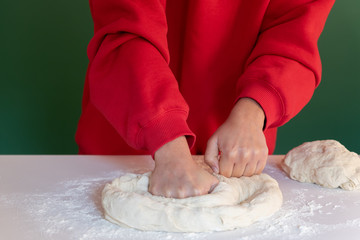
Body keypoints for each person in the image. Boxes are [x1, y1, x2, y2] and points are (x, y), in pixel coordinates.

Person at [76, 0, 335, 199]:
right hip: (130, 138)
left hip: (236, 147)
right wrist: (164, 137)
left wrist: (253, 111)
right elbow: (127, 32)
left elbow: (294, 33)